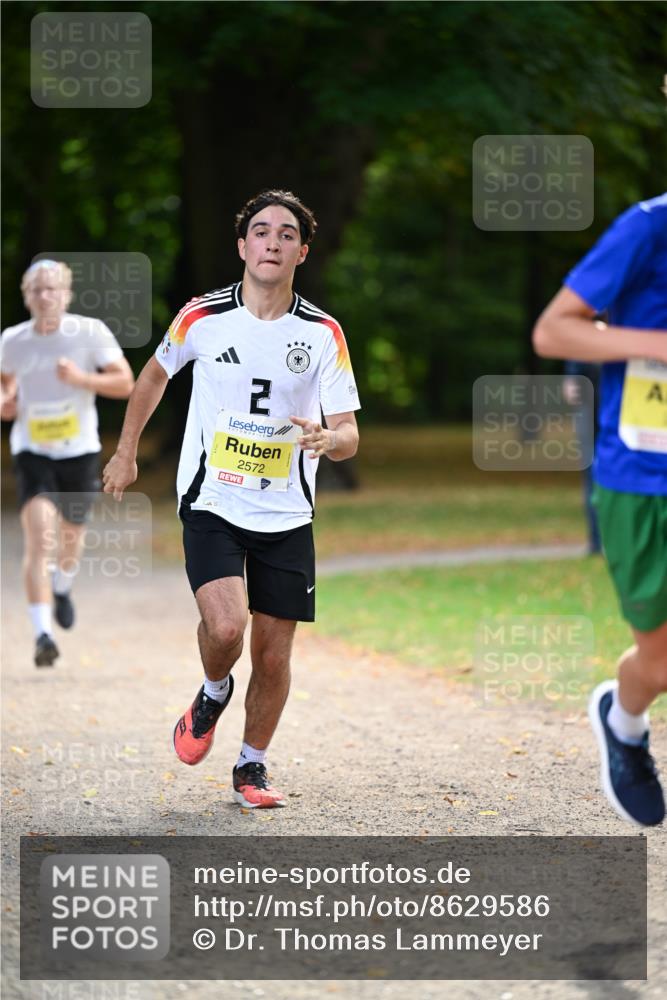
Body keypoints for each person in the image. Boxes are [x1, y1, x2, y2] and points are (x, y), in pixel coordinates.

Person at [103, 190, 361, 809]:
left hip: (288, 512)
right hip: (212, 498)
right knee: (226, 627)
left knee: (273, 653)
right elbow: (154, 374)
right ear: (243, 247)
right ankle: (213, 688)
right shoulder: (201, 316)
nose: (273, 242)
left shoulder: (323, 332)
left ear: (302, 251)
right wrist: (127, 450)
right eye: (262, 232)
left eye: (287, 234)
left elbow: (349, 432)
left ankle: (251, 768)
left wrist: (332, 438)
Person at [533, 193, 667, 827]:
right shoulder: (648, 227)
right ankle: (624, 720)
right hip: (643, 479)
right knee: (661, 660)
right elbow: (553, 329)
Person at [0, 260, 134, 667]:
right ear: (27, 295)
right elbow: (6, 384)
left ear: (66, 294)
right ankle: (43, 634)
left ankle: (63, 585)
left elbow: (125, 382)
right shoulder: (13, 339)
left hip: (79, 449)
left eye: (52, 288)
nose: (45, 296)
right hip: (33, 449)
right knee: (39, 536)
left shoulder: (89, 333)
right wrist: (6, 401)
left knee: (71, 537)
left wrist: (81, 379)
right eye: (37, 289)